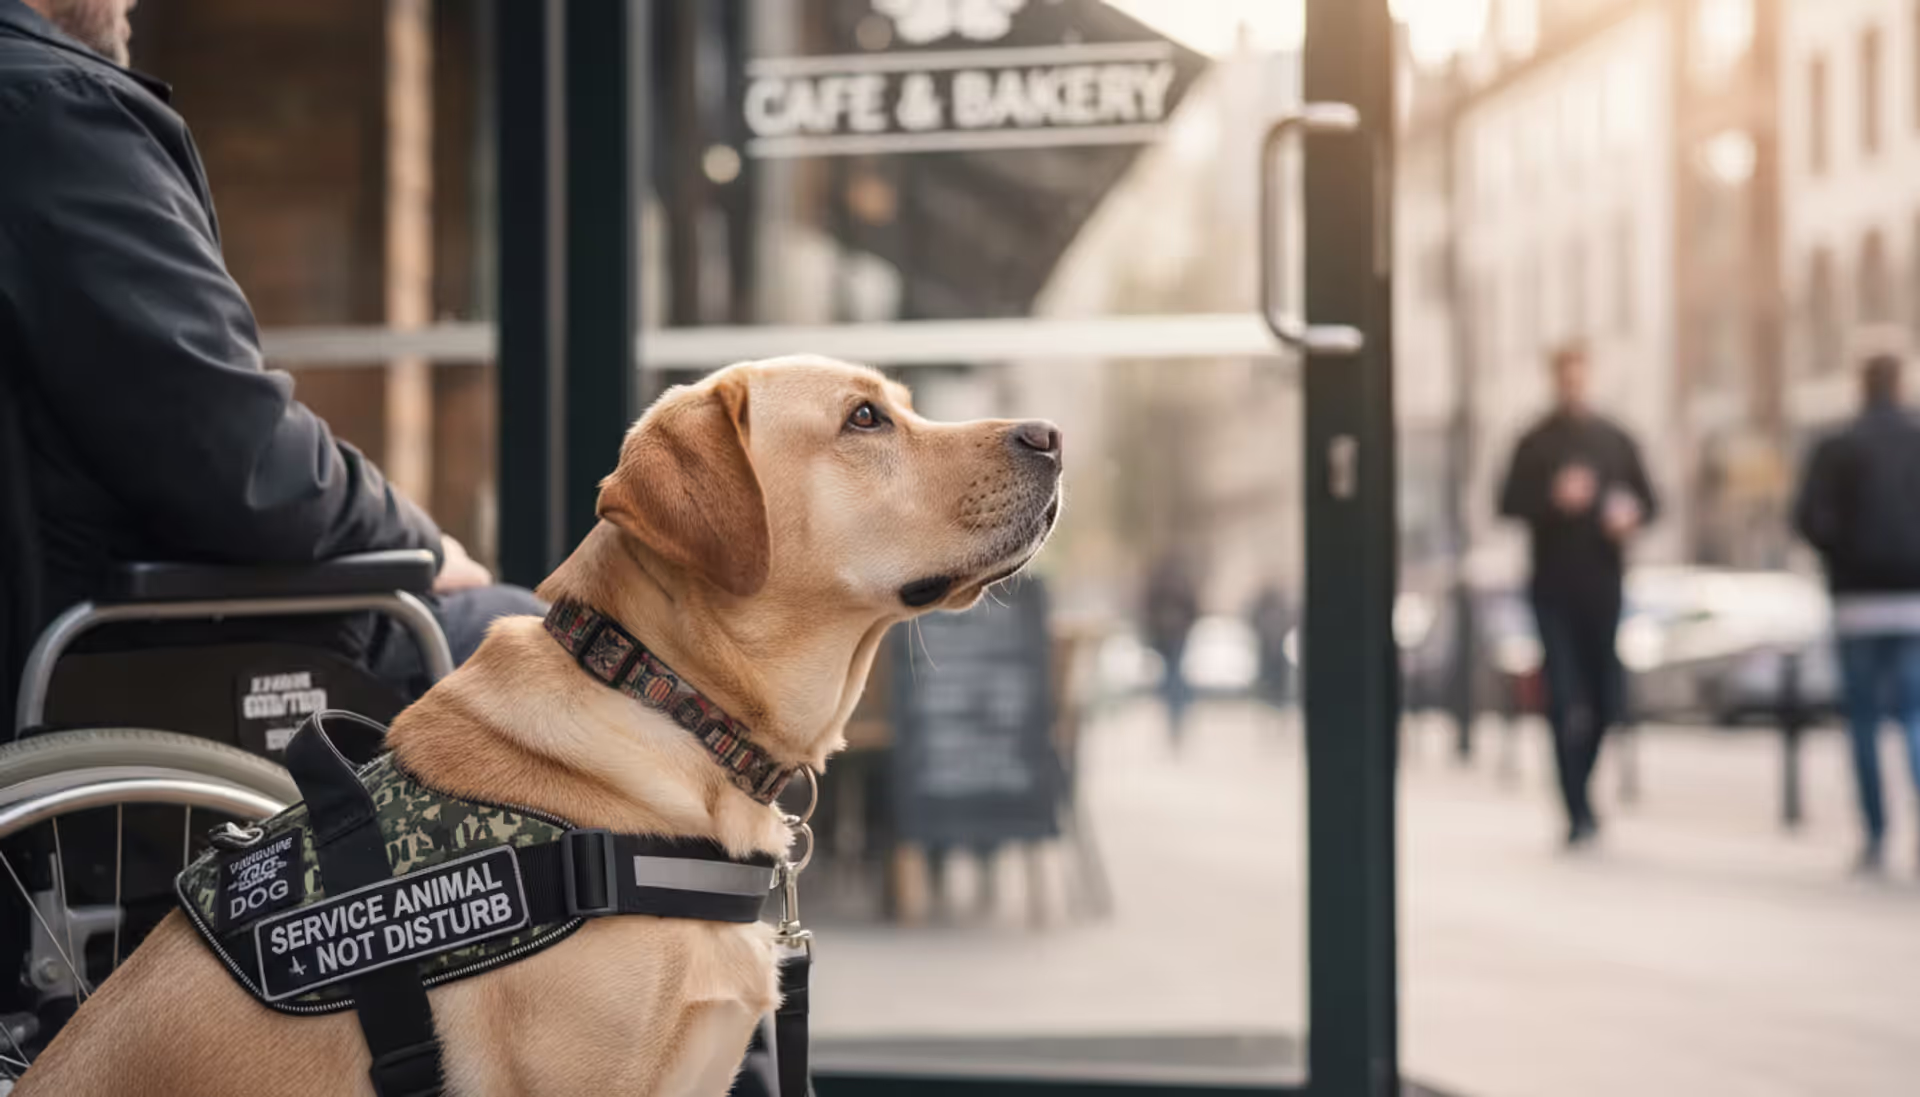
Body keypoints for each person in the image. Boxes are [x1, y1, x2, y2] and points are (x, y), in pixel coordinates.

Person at [0, 0, 540, 713]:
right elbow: (240, 462)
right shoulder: (52, 116)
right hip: (125, 661)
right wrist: (426, 546)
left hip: (75, 640)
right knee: (548, 649)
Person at [1498, 345, 1657, 847]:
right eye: (1566, 377)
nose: (1574, 386)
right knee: (1564, 698)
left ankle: (1582, 791)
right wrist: (1553, 499)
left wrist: (1628, 518)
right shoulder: (1535, 441)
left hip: (1604, 585)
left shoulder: (1615, 440)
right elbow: (1505, 502)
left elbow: (1651, 501)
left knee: (1608, 699)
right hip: (1552, 589)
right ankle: (1574, 808)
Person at [1793, 353, 1920, 874]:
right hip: (1913, 599)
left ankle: (1875, 835)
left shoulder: (1836, 446)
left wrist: (1842, 553)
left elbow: (1808, 518)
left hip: (1856, 600)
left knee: (1865, 721)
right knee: (1915, 717)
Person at [1144, 551, 1199, 747]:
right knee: (1172, 679)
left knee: (1173, 678)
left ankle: (1177, 718)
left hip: (1175, 636)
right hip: (1167, 638)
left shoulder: (1170, 585)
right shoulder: (1169, 585)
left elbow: (1193, 608)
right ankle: (1176, 717)